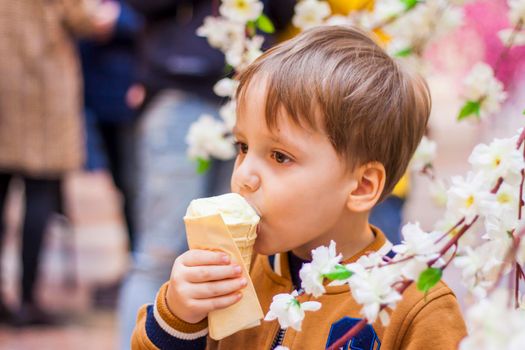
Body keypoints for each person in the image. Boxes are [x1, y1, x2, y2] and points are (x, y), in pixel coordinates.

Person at [131, 26, 467, 349]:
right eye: (243, 146)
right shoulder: (231, 272)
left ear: (362, 186)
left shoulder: (416, 307)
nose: (245, 174)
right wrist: (177, 318)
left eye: (279, 156)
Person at [117, 1, 295, 347]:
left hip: (252, 93)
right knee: (159, 253)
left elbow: (284, 13)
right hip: (179, 91)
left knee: (229, 252)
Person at [0, 0, 118, 326]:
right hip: (41, 81)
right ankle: (27, 300)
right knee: (40, 190)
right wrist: (103, 17)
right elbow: (82, 16)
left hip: (3, 79)